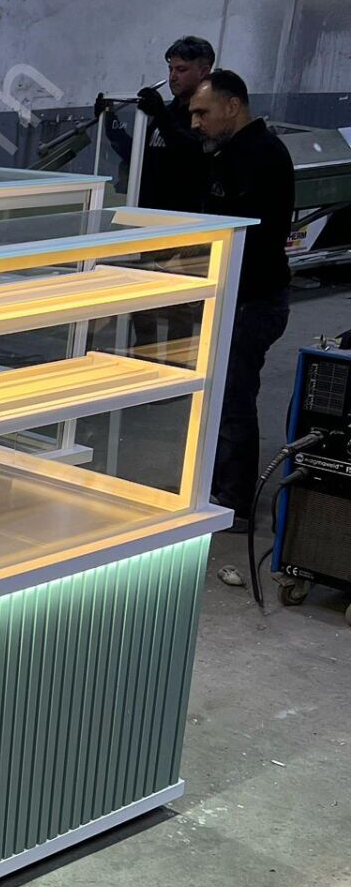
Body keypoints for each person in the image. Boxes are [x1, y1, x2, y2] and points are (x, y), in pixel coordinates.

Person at [188, 69, 295, 529]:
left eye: (202, 113)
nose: (195, 123)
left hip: (254, 300)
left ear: (233, 106)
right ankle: (216, 488)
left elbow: (251, 235)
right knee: (221, 395)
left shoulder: (262, 155)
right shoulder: (229, 153)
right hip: (234, 294)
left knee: (233, 397)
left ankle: (235, 503)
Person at [130, 35, 216, 210]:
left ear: (203, 72)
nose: (173, 77)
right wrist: (110, 122)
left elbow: (194, 154)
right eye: (170, 69)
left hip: (182, 214)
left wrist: (161, 115)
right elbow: (138, 156)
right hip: (148, 211)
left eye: (181, 70)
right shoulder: (169, 112)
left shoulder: (209, 115)